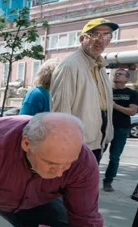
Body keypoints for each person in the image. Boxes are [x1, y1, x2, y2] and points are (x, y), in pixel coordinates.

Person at [51, 18, 119, 163]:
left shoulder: (100, 66)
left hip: (98, 141)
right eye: (95, 35)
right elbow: (61, 113)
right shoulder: (69, 66)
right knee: (75, 184)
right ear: (82, 38)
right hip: (78, 144)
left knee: (89, 183)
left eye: (107, 35)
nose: (100, 40)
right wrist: (67, 144)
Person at [104, 69, 138, 192]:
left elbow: (132, 111)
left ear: (126, 79)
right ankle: (88, 179)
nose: (117, 75)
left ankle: (108, 181)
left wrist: (115, 106)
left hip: (121, 128)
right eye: (116, 73)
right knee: (96, 153)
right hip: (105, 126)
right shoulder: (108, 92)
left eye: (120, 74)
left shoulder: (132, 94)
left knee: (114, 156)